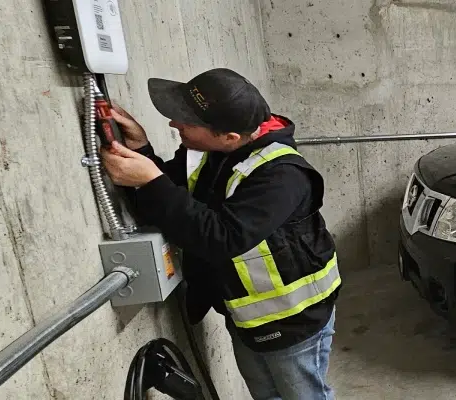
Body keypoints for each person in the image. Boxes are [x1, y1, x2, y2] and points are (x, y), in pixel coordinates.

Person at [101, 67, 341, 400]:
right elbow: (177, 195)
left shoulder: (283, 175)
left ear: (227, 137)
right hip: (247, 318)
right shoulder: (215, 151)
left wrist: (150, 181)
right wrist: (141, 151)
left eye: (187, 121)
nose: (174, 124)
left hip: (294, 323)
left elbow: (221, 238)